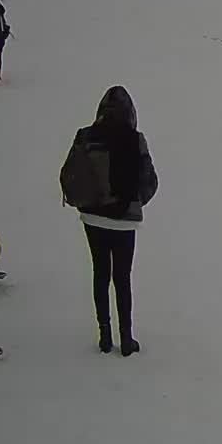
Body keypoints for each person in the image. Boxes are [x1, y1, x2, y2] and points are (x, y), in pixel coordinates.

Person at [62, 86, 158, 356]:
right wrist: (133, 203)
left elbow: (70, 174)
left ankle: (105, 335)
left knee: (100, 272)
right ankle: (127, 338)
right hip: (125, 221)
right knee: (122, 277)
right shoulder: (136, 139)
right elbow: (150, 181)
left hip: (92, 217)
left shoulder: (85, 136)